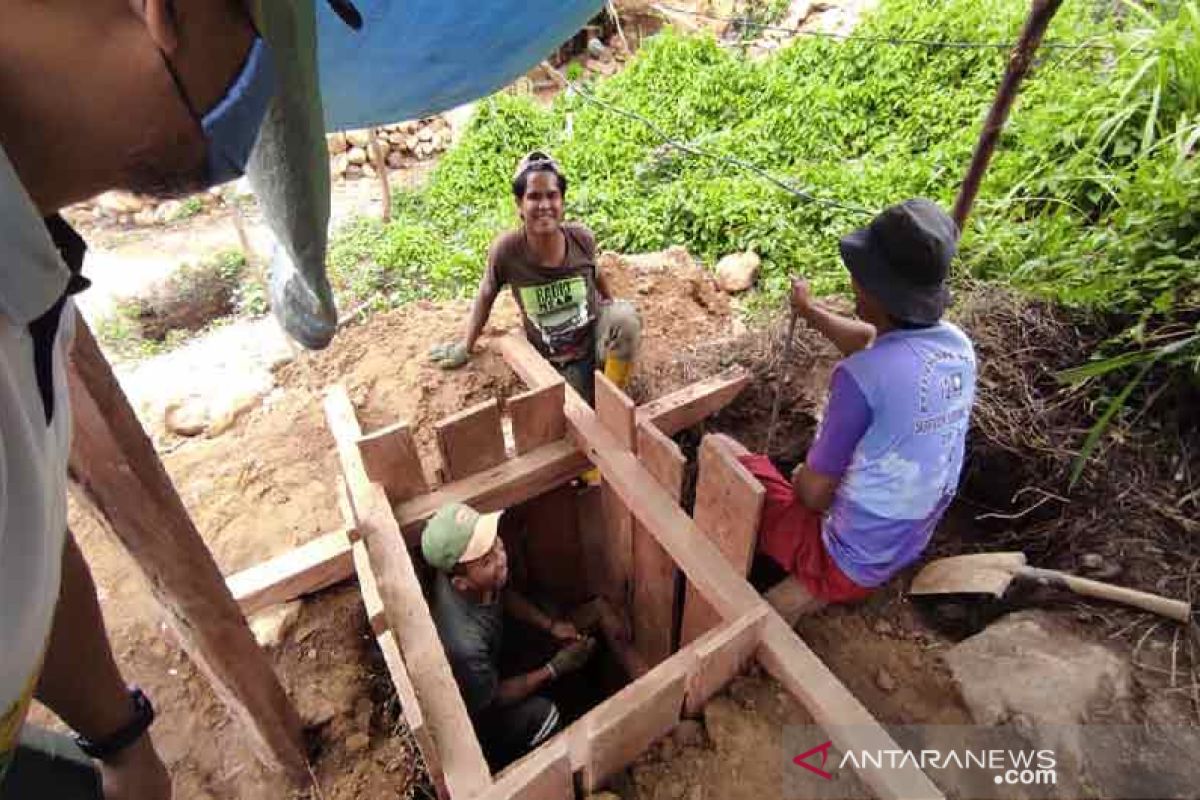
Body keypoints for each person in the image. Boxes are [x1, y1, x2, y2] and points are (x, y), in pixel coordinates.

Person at [1, 2, 283, 797]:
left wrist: (119, 738)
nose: (274, 84)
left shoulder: (31, 266)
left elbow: (30, 536)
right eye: (266, 25)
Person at [723, 198, 977, 621]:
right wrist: (808, 312)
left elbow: (812, 496)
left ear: (876, 288)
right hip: (907, 541)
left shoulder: (859, 379)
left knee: (722, 450)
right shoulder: (956, 345)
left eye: (859, 275)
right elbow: (872, 342)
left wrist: (802, 476)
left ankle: (747, 567)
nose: (853, 281)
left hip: (844, 563)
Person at [428, 151, 641, 405]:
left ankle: (612, 400)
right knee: (574, 409)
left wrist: (610, 304)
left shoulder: (581, 238)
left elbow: (595, 272)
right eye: (534, 197)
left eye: (552, 195)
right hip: (557, 362)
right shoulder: (507, 251)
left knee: (625, 317)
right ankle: (594, 400)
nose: (544, 206)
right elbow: (486, 294)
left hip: (592, 342)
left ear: (562, 201)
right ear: (519, 204)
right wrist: (467, 344)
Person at [421, 503, 597, 769]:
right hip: (483, 717)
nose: (501, 558)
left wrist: (550, 626)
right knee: (544, 715)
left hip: (494, 660)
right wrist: (554, 668)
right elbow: (493, 700)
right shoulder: (463, 644)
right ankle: (554, 770)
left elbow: (502, 596)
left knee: (548, 613)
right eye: (487, 560)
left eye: (496, 545)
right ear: (461, 584)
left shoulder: (475, 579)